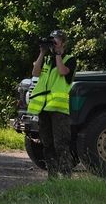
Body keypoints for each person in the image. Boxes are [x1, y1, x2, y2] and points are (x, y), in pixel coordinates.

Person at [27, 29, 76, 179]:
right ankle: (52, 176)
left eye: (56, 40)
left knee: (60, 143)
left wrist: (58, 54)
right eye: (52, 40)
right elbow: (35, 73)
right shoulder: (47, 60)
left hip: (59, 109)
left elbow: (62, 72)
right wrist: (42, 52)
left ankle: (67, 175)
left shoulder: (69, 59)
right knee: (47, 143)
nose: (53, 43)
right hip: (44, 108)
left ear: (63, 43)